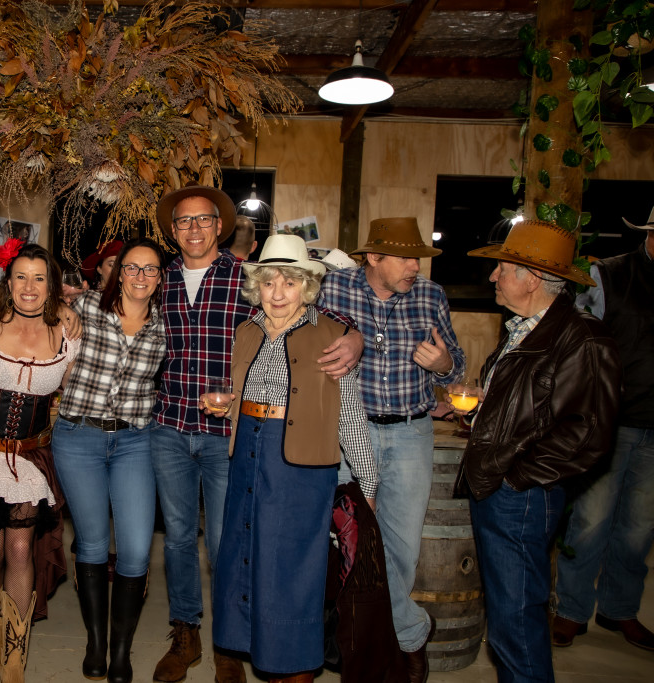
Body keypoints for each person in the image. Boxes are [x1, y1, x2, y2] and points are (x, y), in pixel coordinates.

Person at [151, 183, 363, 683]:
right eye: (184, 221)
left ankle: (232, 646)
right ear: (173, 230)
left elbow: (315, 316)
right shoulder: (157, 278)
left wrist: (353, 335)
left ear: (220, 227)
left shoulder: (241, 275)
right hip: (174, 423)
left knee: (231, 542)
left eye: (204, 219)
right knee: (179, 539)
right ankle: (187, 632)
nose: (194, 228)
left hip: (228, 438)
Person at [458, 218, 621, 681]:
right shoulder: (527, 328)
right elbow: (531, 408)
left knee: (516, 621)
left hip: (522, 495)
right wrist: (483, 412)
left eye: (503, 269)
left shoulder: (583, 338)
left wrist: (516, 476)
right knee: (508, 616)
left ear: (531, 279)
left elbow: (589, 434)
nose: (493, 276)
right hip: (504, 488)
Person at [212, 234, 379, 683]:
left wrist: (368, 483)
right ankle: (255, 649)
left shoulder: (332, 336)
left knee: (292, 570)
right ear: (258, 288)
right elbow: (246, 395)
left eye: (289, 282)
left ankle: (294, 669)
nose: (278, 293)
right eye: (269, 282)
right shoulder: (246, 331)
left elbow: (349, 415)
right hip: (248, 455)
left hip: (301, 469)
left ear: (307, 286)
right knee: (245, 557)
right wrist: (227, 406)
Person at [317, 217, 465, 683]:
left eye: (417, 258)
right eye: (405, 258)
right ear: (373, 258)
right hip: (349, 431)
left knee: (401, 547)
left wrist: (444, 364)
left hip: (410, 433)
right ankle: (410, 632)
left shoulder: (431, 296)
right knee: (353, 542)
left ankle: (394, 638)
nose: (415, 267)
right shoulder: (333, 289)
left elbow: (455, 365)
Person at [0, 241, 80, 683]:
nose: (29, 287)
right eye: (21, 277)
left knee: (18, 549)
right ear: (7, 281)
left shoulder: (68, 332)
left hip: (32, 457)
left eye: (39, 278)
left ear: (52, 286)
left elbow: (73, 391)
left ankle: (16, 644)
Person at [52, 238, 166, 683]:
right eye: (131, 267)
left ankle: (122, 651)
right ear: (117, 272)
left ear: (160, 278)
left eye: (150, 269)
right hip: (78, 437)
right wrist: (57, 306)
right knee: (94, 544)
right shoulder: (85, 311)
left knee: (135, 550)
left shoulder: (165, 326)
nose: (140, 276)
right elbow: (34, 303)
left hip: (135, 441)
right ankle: (96, 644)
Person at [552, 206, 654, 652]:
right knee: (591, 521)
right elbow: (575, 339)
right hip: (613, 419)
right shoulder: (607, 275)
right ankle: (572, 609)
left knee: (640, 528)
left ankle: (620, 609)